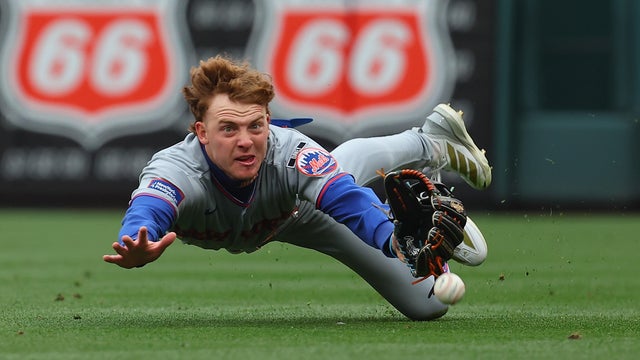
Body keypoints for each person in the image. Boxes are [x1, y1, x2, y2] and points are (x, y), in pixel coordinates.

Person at [103, 55, 492, 321]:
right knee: (430, 304)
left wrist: (395, 240)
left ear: (269, 121)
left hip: (302, 212)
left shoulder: (289, 151)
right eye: (228, 128)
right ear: (201, 132)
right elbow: (149, 209)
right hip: (275, 212)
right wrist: (136, 242)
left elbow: (346, 200)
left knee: (428, 306)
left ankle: (429, 141)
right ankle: (423, 155)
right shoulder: (178, 169)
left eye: (255, 125)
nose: (245, 140)